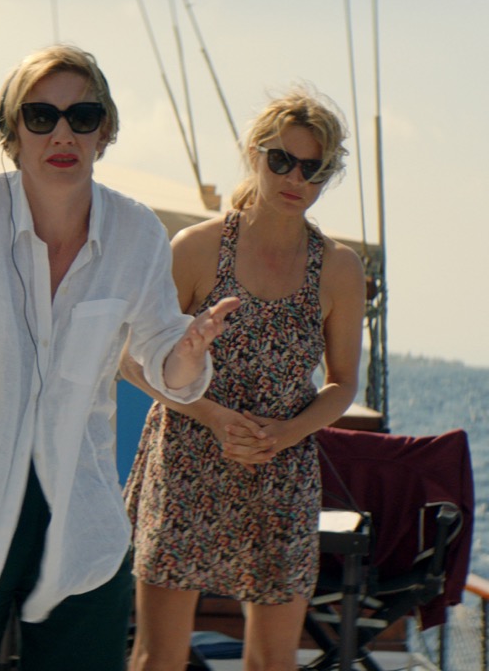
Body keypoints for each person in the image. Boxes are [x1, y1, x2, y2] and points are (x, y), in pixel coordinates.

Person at [0, 44, 239, 670]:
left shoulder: (137, 233)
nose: (63, 134)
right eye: (41, 116)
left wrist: (187, 351)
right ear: (13, 131)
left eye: (83, 116)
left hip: (82, 526)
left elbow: (167, 367)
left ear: (105, 130)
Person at [123, 87, 365, 671]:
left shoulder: (339, 268)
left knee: (274, 661)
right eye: (281, 160)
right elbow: (132, 358)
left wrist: (286, 433)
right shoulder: (197, 249)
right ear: (254, 155)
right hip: (185, 462)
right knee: (159, 658)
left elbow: (343, 382)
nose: (295, 178)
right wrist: (212, 415)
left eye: (312, 169)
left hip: (280, 471)